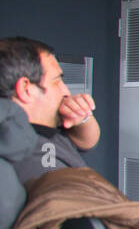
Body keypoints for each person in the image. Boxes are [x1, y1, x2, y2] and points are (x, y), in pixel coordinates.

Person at [1, 36, 100, 182]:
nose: (66, 91)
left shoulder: (38, 131)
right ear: (26, 89)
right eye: (57, 81)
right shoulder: (30, 155)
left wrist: (82, 116)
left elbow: (88, 142)